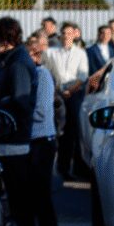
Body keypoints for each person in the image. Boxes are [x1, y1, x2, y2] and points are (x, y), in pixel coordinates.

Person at [0, 17, 38, 226]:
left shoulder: (18, 63)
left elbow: (21, 100)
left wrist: (0, 104)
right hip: (11, 141)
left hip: (16, 141)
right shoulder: (13, 60)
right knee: (19, 202)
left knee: (21, 203)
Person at [13, 34, 61, 226]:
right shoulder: (32, 76)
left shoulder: (41, 76)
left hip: (41, 142)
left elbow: (41, 112)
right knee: (32, 201)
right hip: (32, 142)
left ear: (35, 56)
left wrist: (18, 114)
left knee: (42, 202)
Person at [44, 21, 89, 179]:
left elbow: (83, 76)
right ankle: (60, 168)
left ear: (74, 35)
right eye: (64, 33)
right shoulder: (51, 52)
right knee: (60, 131)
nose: (66, 36)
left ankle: (75, 167)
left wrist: (71, 90)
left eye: (69, 34)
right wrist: (58, 90)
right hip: (57, 93)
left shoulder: (80, 53)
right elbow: (47, 73)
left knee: (74, 131)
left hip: (74, 94)